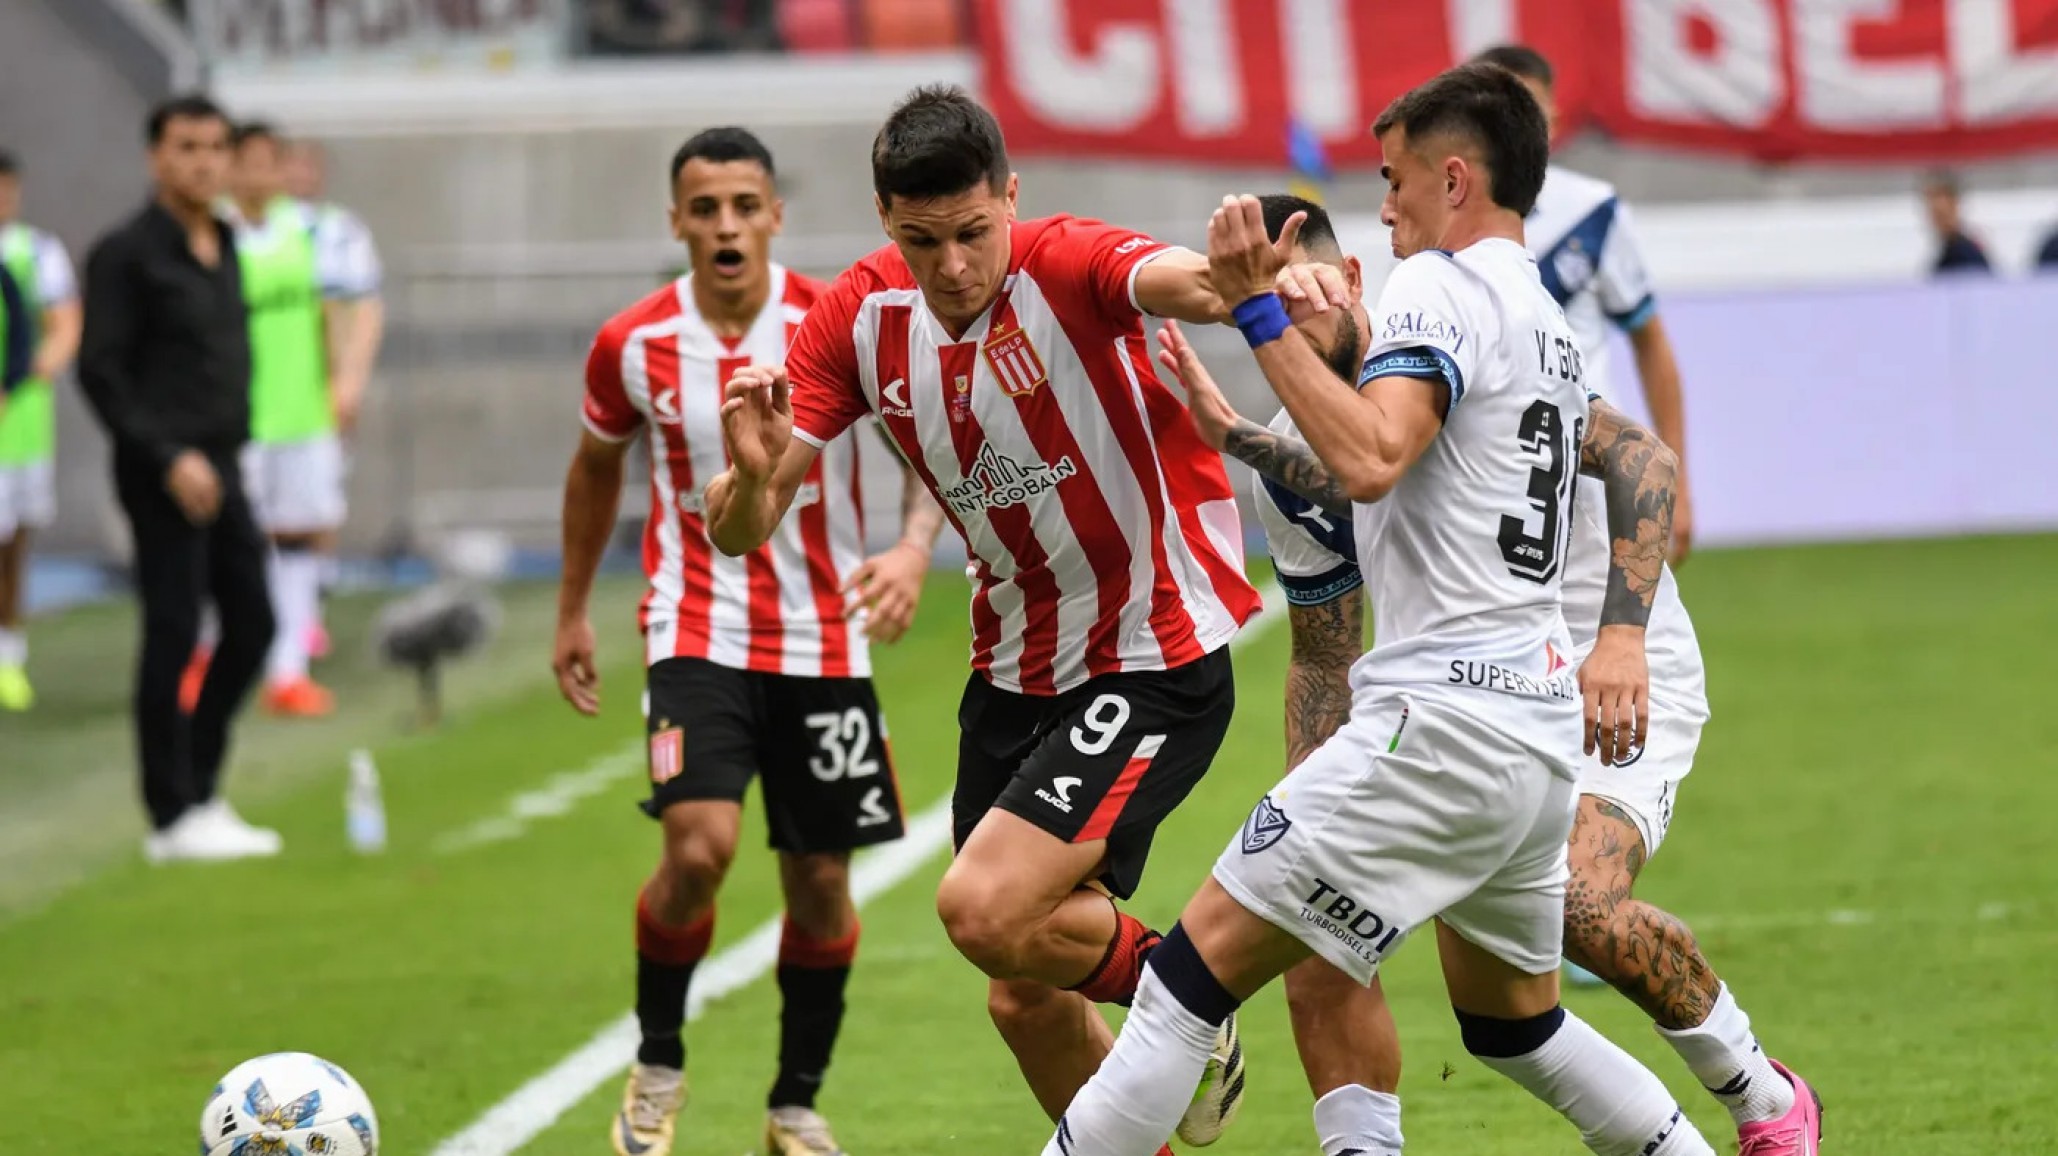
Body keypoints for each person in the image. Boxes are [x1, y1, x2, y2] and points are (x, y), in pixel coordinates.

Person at [1039, 63, 1723, 1156]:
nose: (1387, 208)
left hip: (1441, 724)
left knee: (1181, 987)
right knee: (1517, 1027)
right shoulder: (1544, 319)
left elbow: (1369, 458)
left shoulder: (1436, 285)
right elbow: (1392, 467)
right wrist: (1248, 429)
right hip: (1532, 735)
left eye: (1395, 181)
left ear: (1453, 180)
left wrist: (1256, 309)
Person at [1182, 194, 1824, 1156]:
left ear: (1351, 279)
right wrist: (1310, 810)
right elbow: (1323, 652)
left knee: (1577, 906)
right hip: (1477, 702)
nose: (1289, 319)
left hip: (1613, 669)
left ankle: (1766, 1098)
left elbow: (1643, 459)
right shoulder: (1288, 459)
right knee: (1484, 1016)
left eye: (1302, 292)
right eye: (1262, 309)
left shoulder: (1455, 339)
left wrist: (1621, 639)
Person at [705, 85, 1265, 1153]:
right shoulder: (860, 318)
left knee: (982, 910)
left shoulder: (1064, 261)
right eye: (923, 240)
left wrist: (1245, 284)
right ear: (884, 218)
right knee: (1022, 994)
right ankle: (1170, 1035)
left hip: (1150, 647)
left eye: (972, 232)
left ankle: (1186, 994)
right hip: (1014, 667)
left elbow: (1178, 280)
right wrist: (747, 475)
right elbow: (742, 529)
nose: (954, 265)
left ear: (1011, 196)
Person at [553, 127, 944, 1156]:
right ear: (676, 221)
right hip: (696, 626)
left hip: (825, 639)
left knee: (822, 886)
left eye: (743, 205)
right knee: (700, 847)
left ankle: (794, 1105)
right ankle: (658, 1063)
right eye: (705, 209)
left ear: (775, 214)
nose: (725, 226)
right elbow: (595, 470)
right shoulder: (633, 343)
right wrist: (572, 609)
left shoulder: (837, 323)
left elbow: (927, 439)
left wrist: (913, 548)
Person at [78, 95, 281, 862]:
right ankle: (170, 816)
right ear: (156, 157)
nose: (203, 163)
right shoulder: (125, 254)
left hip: (224, 461)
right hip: (163, 469)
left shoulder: (225, 240)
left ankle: (200, 786)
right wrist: (167, 456)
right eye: (186, 147)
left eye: (215, 148)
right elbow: (101, 372)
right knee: (173, 629)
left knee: (254, 623)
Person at [1472, 45, 1697, 567]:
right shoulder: (1442, 218)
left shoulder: (1593, 211)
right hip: (1488, 473)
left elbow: (1651, 341)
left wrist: (1678, 484)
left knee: (1632, 621)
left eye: (1526, 109)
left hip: (1589, 468)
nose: (1513, 127)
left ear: (1552, 117)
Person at [191, 121, 380, 719]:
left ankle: (288, 669)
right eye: (244, 161)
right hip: (232, 418)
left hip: (300, 414)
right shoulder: (209, 233)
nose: (256, 174)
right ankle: (209, 657)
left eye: (266, 162)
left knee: (298, 537)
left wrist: (345, 383)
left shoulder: (316, 232)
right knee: (226, 538)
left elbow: (345, 312)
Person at [276, 134, 385, 661]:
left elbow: (360, 309)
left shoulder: (340, 232)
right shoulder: (253, 231)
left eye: (308, 167)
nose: (299, 176)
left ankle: (308, 608)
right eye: (290, 166)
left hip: (317, 388)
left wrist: (349, 381)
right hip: (269, 392)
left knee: (317, 501)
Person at [0, 150, 81, 711]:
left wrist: (26, 375)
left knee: (14, 542)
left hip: (23, 424)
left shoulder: (37, 253)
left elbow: (63, 326)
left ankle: (9, 654)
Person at [1918, 169, 1992, 275]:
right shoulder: (1947, 251)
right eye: (1932, 211)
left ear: (1955, 205)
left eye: (1941, 214)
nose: (1933, 216)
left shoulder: (1965, 253)